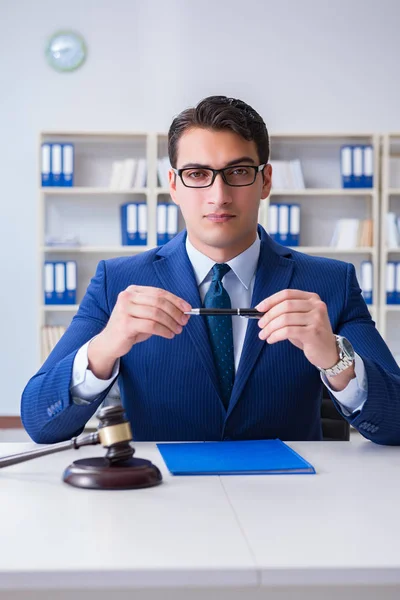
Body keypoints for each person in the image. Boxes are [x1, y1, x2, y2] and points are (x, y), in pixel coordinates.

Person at [22, 95, 400, 445]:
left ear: (265, 181)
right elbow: (40, 422)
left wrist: (338, 361)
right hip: (158, 502)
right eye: (198, 174)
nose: (219, 195)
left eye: (237, 172)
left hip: (290, 502)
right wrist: (103, 349)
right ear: (173, 184)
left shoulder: (329, 283)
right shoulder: (117, 283)